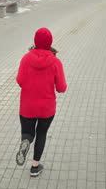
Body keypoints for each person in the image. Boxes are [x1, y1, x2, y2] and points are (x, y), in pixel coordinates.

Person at [15, 28, 67, 177]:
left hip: (27, 106)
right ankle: (35, 167)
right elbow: (61, 88)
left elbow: (20, 81)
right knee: (41, 133)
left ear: (35, 41)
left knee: (28, 132)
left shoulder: (26, 58)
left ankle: (26, 141)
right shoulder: (56, 62)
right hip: (46, 108)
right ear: (50, 43)